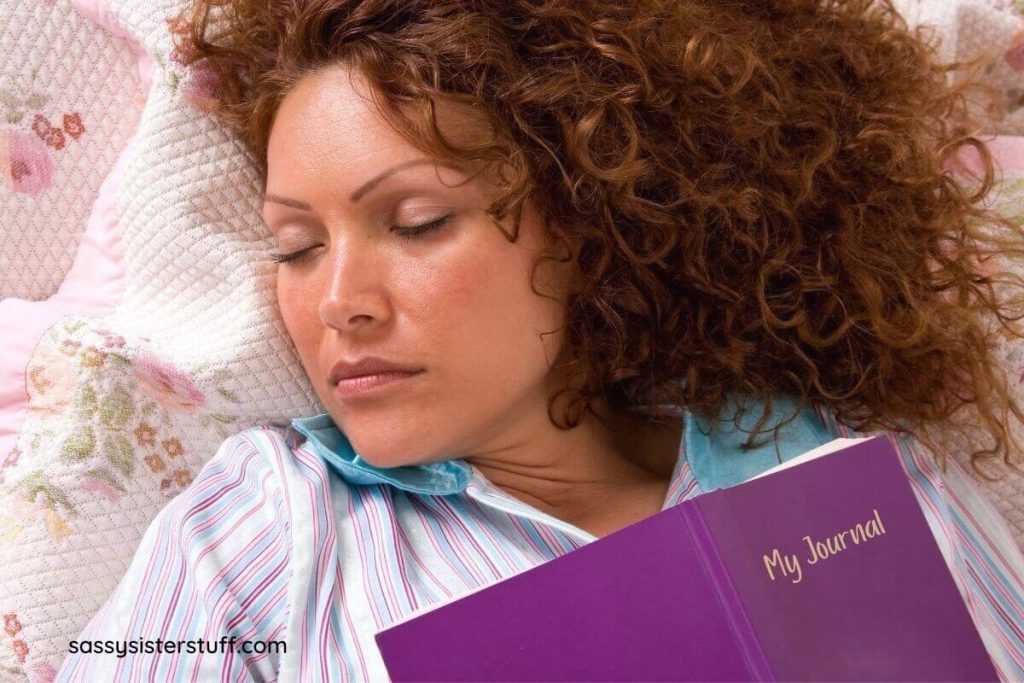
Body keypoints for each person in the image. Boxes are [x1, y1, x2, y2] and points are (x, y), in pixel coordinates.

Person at [58, 0, 1024, 680]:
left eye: (418, 220)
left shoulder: (844, 477)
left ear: (589, 225)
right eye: (297, 246)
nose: (337, 301)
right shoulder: (261, 528)